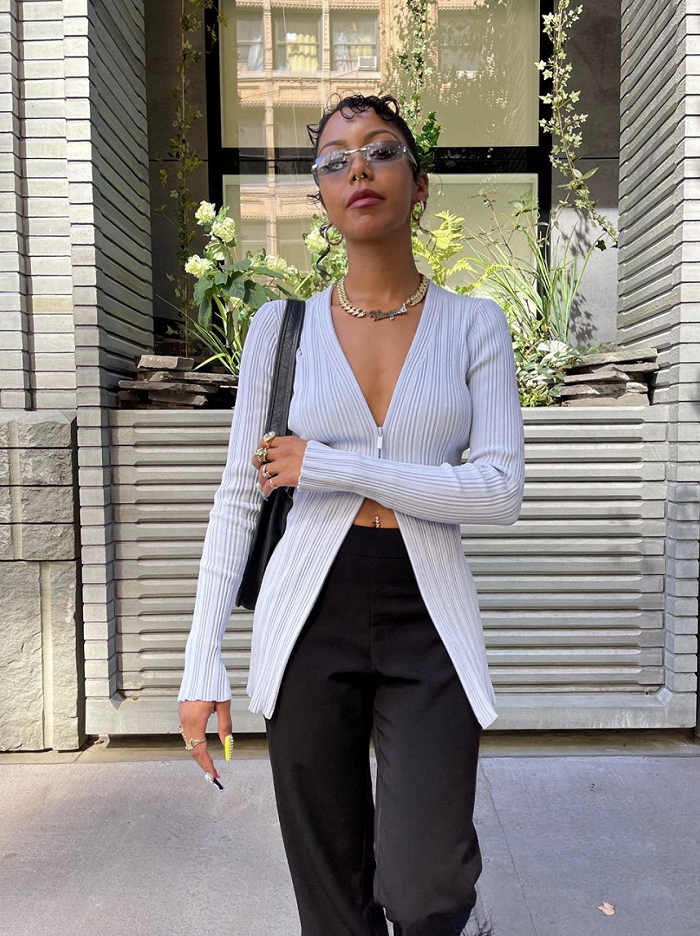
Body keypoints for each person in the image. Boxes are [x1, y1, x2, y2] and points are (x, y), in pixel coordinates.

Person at [177, 93, 525, 936]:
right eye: (335, 160)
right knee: (332, 895)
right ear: (323, 198)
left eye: (380, 150)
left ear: (420, 182)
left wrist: (329, 464)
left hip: (427, 613)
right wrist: (200, 662)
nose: (358, 168)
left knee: (428, 887)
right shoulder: (279, 329)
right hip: (307, 613)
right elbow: (239, 494)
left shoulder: (475, 325)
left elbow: (499, 490)